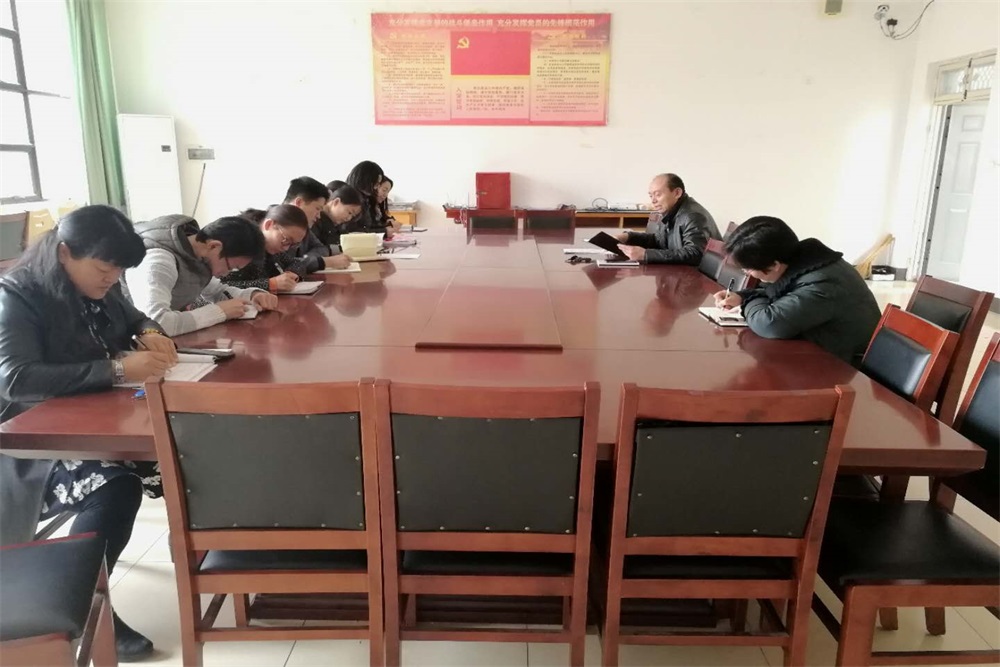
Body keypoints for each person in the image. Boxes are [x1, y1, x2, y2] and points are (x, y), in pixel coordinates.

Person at [0, 205, 179, 660]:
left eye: (119, 270)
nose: (112, 278)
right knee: (114, 484)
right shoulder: (16, 296)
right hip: (27, 444)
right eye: (104, 269)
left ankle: (219, 557)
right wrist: (117, 369)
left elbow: (134, 316)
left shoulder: (95, 287)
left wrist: (150, 331)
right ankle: (83, 607)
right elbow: (15, 380)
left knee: (184, 453)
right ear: (64, 253)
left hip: (86, 424)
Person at [713, 216, 881, 367]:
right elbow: (775, 292)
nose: (747, 273)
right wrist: (741, 296)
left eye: (748, 269)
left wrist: (748, 302)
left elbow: (769, 324)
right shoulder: (801, 260)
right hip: (818, 352)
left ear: (774, 265)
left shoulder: (821, 284)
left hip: (847, 369)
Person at [122, 215, 278, 336]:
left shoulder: (197, 256)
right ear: (214, 246)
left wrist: (253, 295)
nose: (226, 273)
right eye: (231, 267)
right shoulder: (158, 261)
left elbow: (217, 292)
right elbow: (156, 323)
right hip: (129, 344)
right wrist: (219, 312)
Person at [616, 173, 720, 264]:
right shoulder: (670, 211)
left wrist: (646, 254)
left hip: (697, 276)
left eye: (658, 194)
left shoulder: (693, 215)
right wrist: (628, 237)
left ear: (677, 193)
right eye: (651, 196)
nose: (653, 201)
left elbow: (694, 254)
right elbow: (659, 241)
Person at [222, 205, 310, 292]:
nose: (286, 248)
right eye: (286, 240)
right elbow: (221, 287)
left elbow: (297, 263)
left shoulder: (273, 247)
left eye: (293, 244)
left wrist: (291, 274)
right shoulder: (240, 243)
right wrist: (270, 284)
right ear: (268, 225)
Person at [283, 176, 354, 271]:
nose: (319, 216)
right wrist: (323, 262)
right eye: (317, 209)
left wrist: (308, 259)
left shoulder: (304, 227)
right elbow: (285, 265)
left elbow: (321, 248)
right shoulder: (274, 227)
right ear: (299, 202)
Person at [313, 180, 364, 254]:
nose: (348, 218)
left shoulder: (338, 224)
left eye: (352, 216)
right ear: (336, 202)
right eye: (349, 212)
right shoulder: (315, 219)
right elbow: (314, 250)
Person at [345, 160, 392, 236]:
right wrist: (384, 232)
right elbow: (353, 230)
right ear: (365, 180)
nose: (376, 188)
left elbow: (369, 226)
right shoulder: (350, 199)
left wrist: (386, 227)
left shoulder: (366, 199)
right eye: (376, 184)